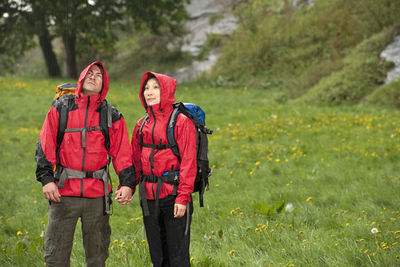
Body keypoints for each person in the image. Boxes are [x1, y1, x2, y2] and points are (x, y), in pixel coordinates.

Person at [35, 61, 135, 267]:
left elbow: (123, 153)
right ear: (81, 78)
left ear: (104, 83)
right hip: (63, 194)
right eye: (89, 73)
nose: (93, 76)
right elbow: (45, 144)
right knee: (55, 258)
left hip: (97, 198)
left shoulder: (112, 115)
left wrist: (127, 184)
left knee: (97, 258)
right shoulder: (61, 108)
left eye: (98, 75)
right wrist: (46, 179)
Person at [131, 72, 197, 267]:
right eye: (146, 88)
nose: (149, 92)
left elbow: (189, 162)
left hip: (174, 197)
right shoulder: (140, 125)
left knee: (178, 258)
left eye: (155, 87)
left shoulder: (182, 122)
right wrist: (128, 187)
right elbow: (135, 162)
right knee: (157, 257)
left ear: (166, 91)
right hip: (149, 199)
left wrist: (183, 197)